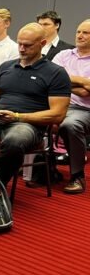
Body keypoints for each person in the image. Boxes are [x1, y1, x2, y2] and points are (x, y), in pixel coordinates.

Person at [0, 23, 71, 187]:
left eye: (27, 45)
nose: (21, 49)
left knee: (15, 140)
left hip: (28, 125)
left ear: (42, 44)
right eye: (19, 43)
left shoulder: (56, 73)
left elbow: (58, 115)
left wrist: (18, 117)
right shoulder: (6, 67)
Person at [52, 19, 90, 194]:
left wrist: (64, 80)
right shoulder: (63, 55)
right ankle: (43, 168)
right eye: (78, 32)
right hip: (57, 103)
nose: (80, 36)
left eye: (86, 33)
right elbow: (52, 78)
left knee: (70, 125)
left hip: (84, 109)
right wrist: (82, 82)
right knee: (30, 114)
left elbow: (86, 93)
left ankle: (77, 176)